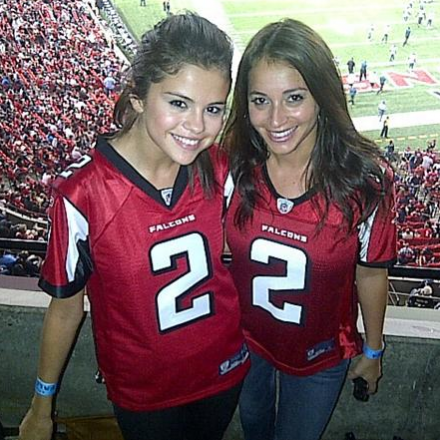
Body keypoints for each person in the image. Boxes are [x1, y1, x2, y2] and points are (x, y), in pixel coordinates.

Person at [18, 13, 249, 440]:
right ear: (139, 96)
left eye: (213, 109)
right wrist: (41, 404)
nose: (197, 126)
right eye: (178, 103)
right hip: (144, 391)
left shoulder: (220, 169)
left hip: (223, 370)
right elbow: (66, 307)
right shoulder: (83, 193)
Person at [222, 18, 397, 440]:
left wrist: (374, 349)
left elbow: (371, 272)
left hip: (321, 354)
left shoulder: (365, 180)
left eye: (294, 97)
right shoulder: (232, 168)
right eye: (260, 100)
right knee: (254, 427)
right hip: (245, 342)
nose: (276, 118)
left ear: (321, 95)